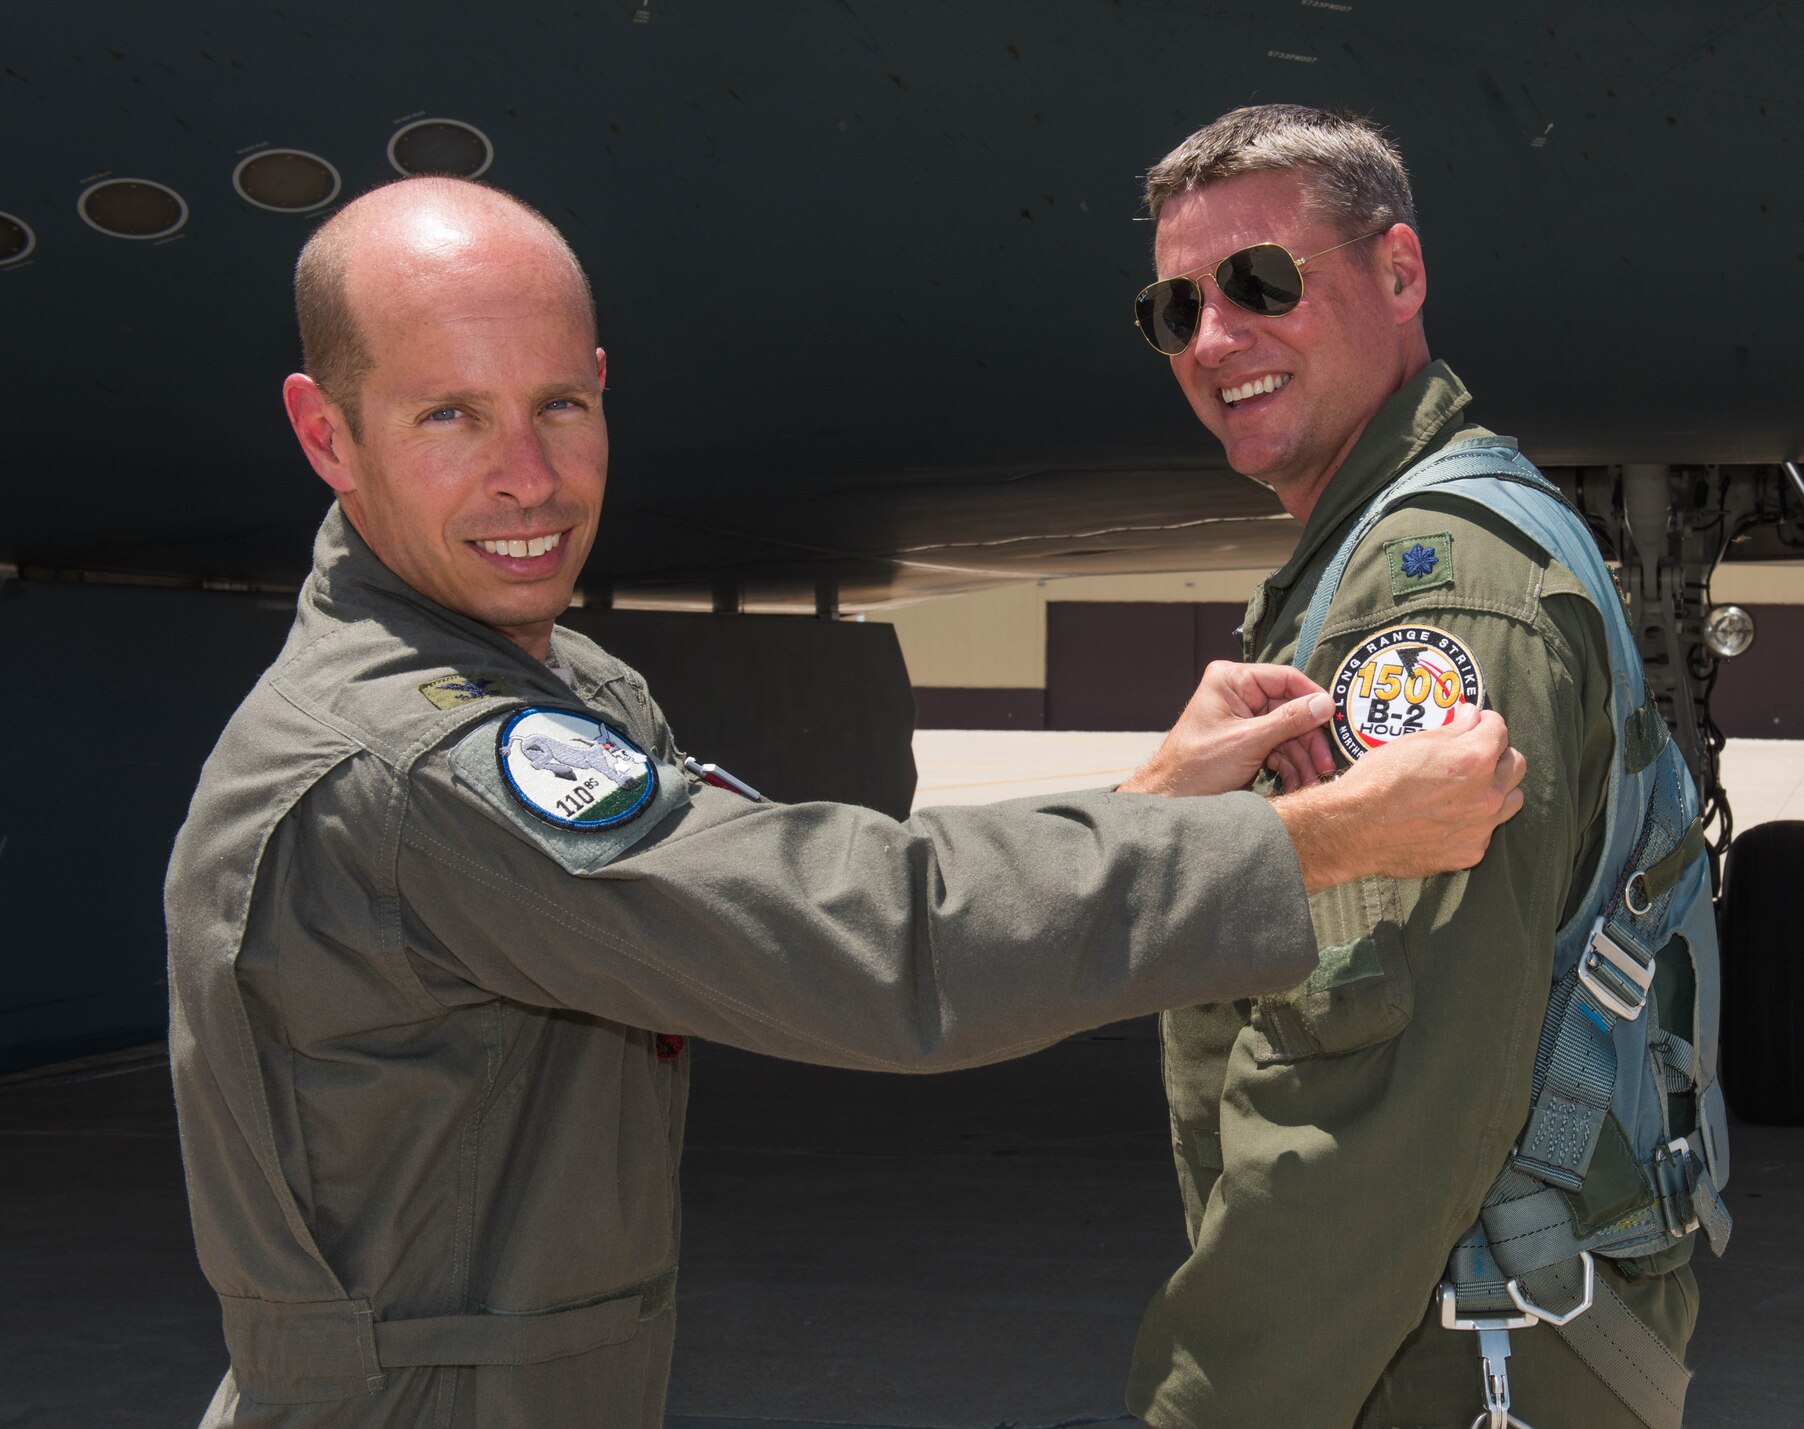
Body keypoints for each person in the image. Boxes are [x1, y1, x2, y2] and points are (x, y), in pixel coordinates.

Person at [165, 174, 1529, 1428]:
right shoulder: (421, 767)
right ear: (326, 435)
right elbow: (865, 943)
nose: (528, 477)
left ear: (601, 386)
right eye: (449, 415)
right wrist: (1299, 848)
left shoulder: (541, 674)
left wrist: (1153, 799)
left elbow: (770, 882)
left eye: (558, 407)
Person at [1122, 106, 1729, 1429]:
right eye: (1176, 310)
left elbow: (1375, 1094)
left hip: (1445, 1356)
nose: (1215, 339)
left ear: (1399, 273)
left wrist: (1201, 1408)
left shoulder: (1439, 592)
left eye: (1260, 282)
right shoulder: (1387, 547)